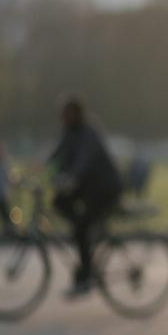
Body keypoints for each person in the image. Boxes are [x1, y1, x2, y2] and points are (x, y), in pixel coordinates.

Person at [49, 95, 124, 296]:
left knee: (82, 227)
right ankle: (84, 239)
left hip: (104, 188)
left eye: (66, 115)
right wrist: (37, 169)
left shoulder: (88, 133)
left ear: (76, 114)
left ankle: (86, 275)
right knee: (58, 202)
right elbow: (57, 154)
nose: (63, 119)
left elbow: (84, 160)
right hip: (87, 187)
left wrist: (71, 177)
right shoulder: (69, 132)